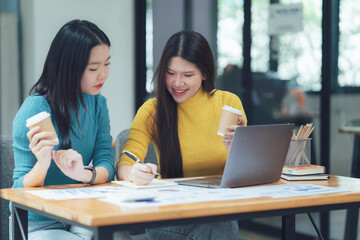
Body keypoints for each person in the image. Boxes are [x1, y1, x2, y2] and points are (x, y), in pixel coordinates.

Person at [116, 30, 247, 240]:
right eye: (170, 73)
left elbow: (245, 175)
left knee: (220, 223)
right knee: (221, 227)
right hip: (169, 216)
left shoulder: (228, 104)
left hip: (218, 211)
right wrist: (133, 173)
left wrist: (236, 151)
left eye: (187, 75)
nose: (177, 83)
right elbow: (125, 162)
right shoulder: (152, 110)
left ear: (205, 73)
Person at [11, 20, 116, 240]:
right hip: (39, 224)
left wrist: (84, 174)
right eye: (93, 68)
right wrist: (42, 164)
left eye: (107, 64)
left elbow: (106, 162)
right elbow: (18, 190)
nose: (103, 74)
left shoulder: (98, 104)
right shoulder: (36, 109)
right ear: (69, 67)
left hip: (80, 216)